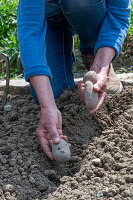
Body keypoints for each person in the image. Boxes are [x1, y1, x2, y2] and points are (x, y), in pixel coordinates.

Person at [17, 0, 131, 160]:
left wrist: (101, 66)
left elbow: (119, 13)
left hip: (88, 9)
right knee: (56, 95)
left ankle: (93, 54)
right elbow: (30, 25)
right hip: (47, 15)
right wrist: (47, 104)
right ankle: (61, 45)